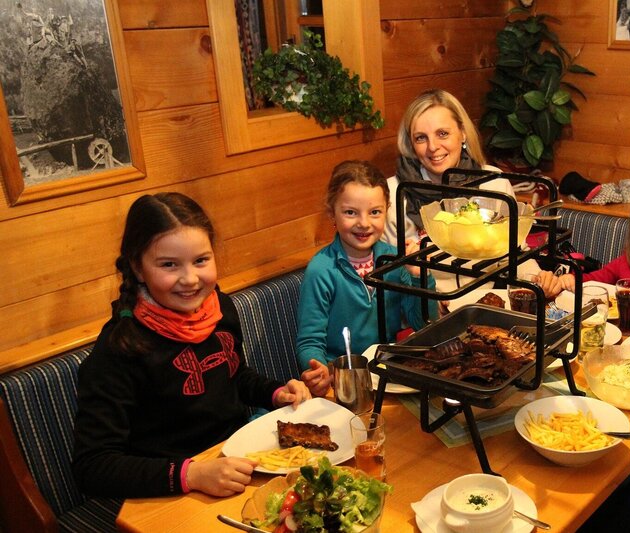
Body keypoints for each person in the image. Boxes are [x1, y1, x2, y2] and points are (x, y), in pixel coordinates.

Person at [73, 192, 316, 499]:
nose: (189, 279)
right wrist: (192, 474)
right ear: (137, 268)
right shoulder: (118, 349)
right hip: (167, 489)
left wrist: (276, 393)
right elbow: (92, 467)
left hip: (235, 464)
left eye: (201, 260)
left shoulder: (219, 308)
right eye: (169, 265)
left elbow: (234, 376)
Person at [296, 160, 436, 385]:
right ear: (332, 214)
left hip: (386, 370)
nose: (364, 223)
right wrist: (318, 368)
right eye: (351, 212)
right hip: (340, 376)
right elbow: (309, 341)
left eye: (374, 212)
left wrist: (421, 277)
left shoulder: (395, 260)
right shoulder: (321, 269)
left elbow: (424, 325)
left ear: (387, 212)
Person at [384, 88, 514, 247]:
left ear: (463, 133)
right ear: (411, 144)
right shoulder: (392, 194)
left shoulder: (494, 182)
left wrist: (538, 273)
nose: (432, 147)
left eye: (442, 134)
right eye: (421, 138)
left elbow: (515, 250)